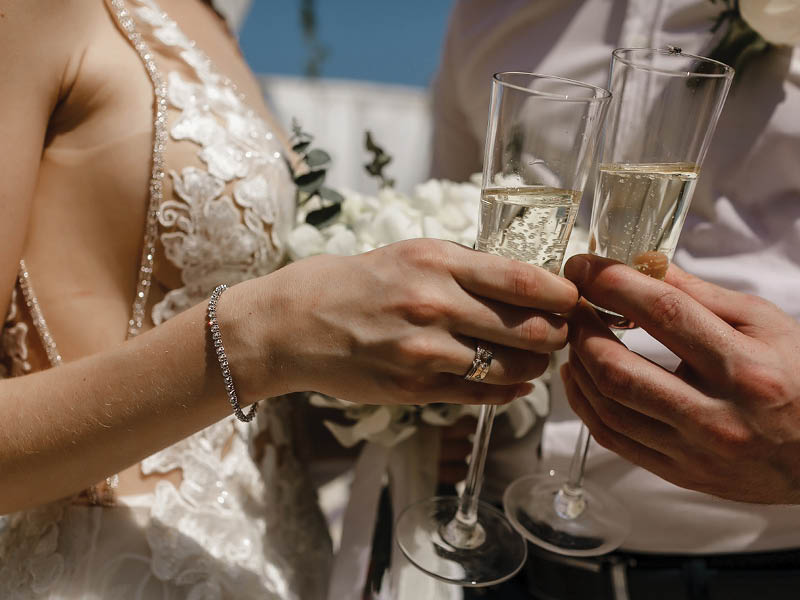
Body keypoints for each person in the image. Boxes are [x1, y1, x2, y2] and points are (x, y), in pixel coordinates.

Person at [0, 1, 579, 598]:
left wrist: (391, 414)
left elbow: (237, 432)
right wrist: (265, 336)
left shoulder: (216, 27)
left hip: (286, 564)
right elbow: (254, 350)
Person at [431, 0, 800, 598]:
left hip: (761, 567)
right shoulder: (481, 15)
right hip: (499, 554)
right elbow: (448, 222)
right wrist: (431, 411)